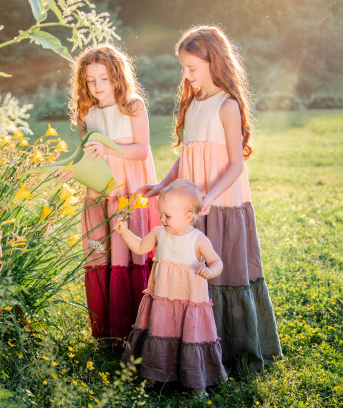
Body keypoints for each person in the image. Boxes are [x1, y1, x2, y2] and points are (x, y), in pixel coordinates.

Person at [139, 25, 282, 372]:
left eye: (192, 68)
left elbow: (236, 164)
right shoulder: (193, 105)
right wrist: (162, 185)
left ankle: (232, 349)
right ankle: (194, 345)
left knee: (220, 271)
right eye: (183, 68)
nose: (186, 76)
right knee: (192, 274)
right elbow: (186, 155)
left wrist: (209, 198)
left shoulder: (227, 106)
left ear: (213, 62)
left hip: (222, 204)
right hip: (192, 206)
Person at [67, 43, 160, 344]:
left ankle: (135, 328)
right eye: (91, 80)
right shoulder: (87, 113)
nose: (97, 86)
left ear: (117, 76)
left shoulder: (132, 106)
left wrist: (107, 146)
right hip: (99, 192)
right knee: (102, 252)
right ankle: (108, 332)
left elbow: (141, 150)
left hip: (128, 191)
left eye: (104, 78)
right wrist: (71, 168)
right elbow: (86, 154)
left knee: (128, 252)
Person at [116, 179, 228, 395]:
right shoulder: (160, 233)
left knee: (190, 338)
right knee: (160, 333)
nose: (162, 218)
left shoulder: (198, 240)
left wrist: (210, 271)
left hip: (189, 303)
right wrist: (124, 232)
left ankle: (196, 383)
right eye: (161, 213)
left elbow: (217, 262)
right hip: (163, 300)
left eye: (167, 215)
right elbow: (140, 246)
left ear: (188, 216)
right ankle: (154, 375)